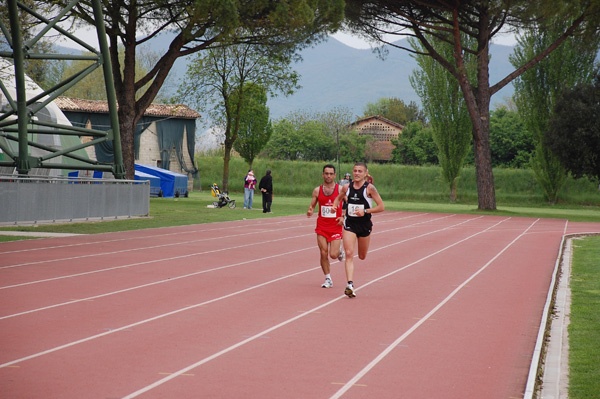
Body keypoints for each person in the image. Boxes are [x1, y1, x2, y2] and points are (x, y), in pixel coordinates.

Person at [333, 162, 384, 298]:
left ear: (366, 173)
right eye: (355, 171)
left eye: (360, 171)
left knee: (362, 256)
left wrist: (365, 211)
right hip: (350, 224)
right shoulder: (346, 187)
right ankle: (350, 285)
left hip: (365, 225)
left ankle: (347, 254)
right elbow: (339, 198)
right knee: (349, 254)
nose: (356, 173)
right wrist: (334, 206)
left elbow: (381, 207)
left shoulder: (370, 188)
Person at [307, 164, 345, 288]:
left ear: (334, 175)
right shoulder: (317, 190)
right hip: (322, 226)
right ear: (323, 174)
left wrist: (343, 216)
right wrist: (310, 210)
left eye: (331, 174)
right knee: (323, 253)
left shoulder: (340, 189)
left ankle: (339, 250)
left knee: (333, 255)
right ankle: (328, 278)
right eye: (326, 173)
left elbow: (349, 204)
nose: (328, 176)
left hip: (335, 226)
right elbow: (312, 204)